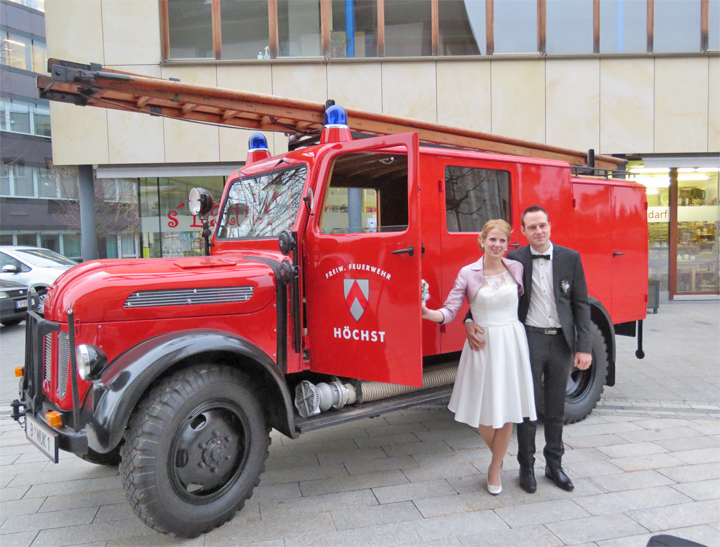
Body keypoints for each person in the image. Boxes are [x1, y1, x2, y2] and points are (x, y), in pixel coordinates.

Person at [464, 206, 592, 493]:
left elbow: (580, 304)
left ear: (550, 226)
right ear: (522, 231)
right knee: (527, 409)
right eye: (532, 227)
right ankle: (526, 467)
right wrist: (469, 320)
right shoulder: (515, 260)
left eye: (542, 225)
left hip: (561, 342)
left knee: (556, 408)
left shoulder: (570, 258)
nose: (539, 231)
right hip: (528, 340)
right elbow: (486, 293)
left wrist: (584, 347)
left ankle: (554, 466)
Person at [422, 219, 536, 495]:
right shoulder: (467, 272)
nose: (497, 245)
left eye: (502, 241)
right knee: (483, 413)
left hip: (511, 341)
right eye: (492, 239)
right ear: (482, 241)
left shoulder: (517, 268)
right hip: (482, 345)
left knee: (508, 408)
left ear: (507, 244)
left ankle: (494, 468)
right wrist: (425, 312)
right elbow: (449, 311)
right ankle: (499, 456)